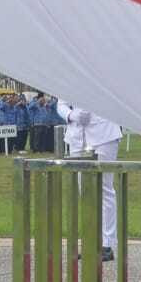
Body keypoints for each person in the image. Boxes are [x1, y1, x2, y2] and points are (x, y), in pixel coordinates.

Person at [56, 101, 122, 261]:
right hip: (77, 137)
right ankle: (91, 241)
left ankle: (107, 244)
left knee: (104, 188)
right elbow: (61, 104)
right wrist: (71, 115)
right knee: (84, 191)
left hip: (103, 134)